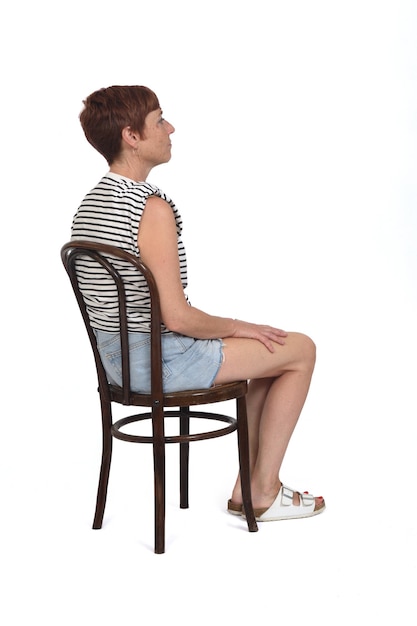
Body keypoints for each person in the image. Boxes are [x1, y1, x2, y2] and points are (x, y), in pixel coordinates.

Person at [71, 85, 325, 522]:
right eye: (159, 121)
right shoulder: (149, 207)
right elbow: (178, 317)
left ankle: (250, 488)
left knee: (270, 356)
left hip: (118, 363)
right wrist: (239, 325)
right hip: (158, 361)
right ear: (132, 136)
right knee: (299, 349)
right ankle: (262, 491)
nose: (170, 128)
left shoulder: (89, 204)